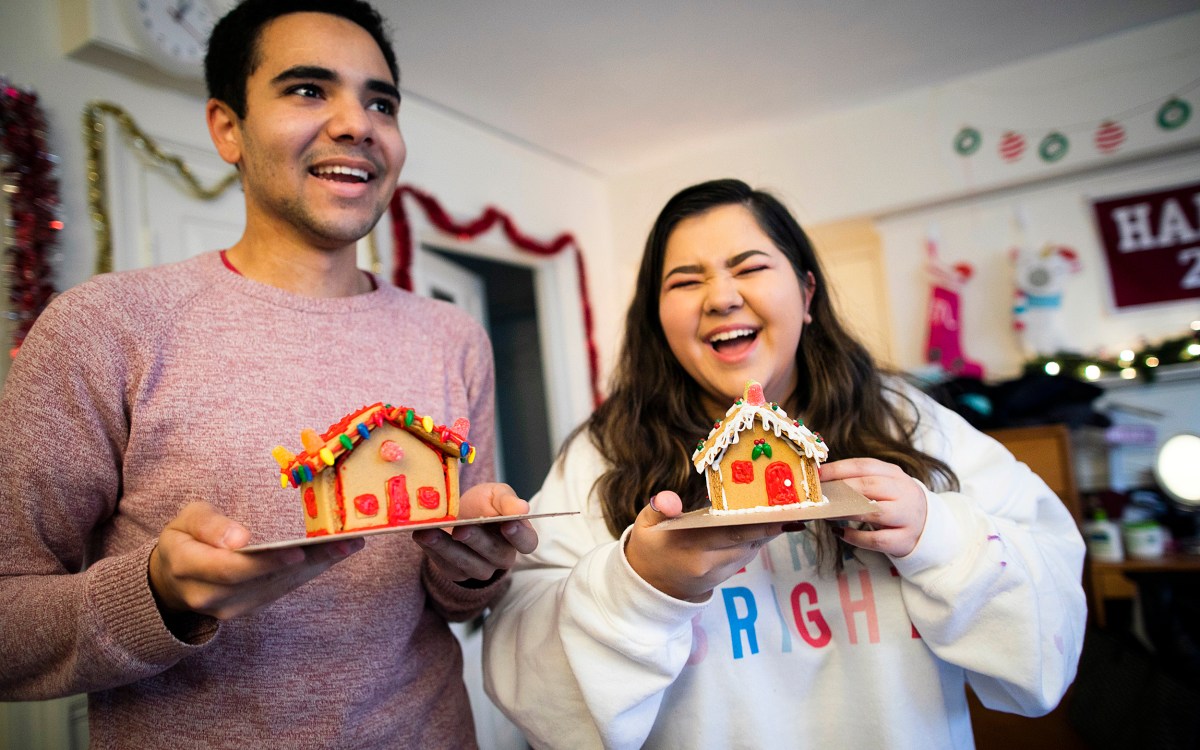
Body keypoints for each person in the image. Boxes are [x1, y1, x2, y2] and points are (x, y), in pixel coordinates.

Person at [0, 1, 536, 747]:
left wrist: (474, 569)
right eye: (308, 90)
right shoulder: (104, 327)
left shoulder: (454, 337)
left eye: (381, 101)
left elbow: (451, 600)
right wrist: (158, 596)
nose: (358, 123)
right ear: (227, 128)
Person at [483, 178, 1086, 748]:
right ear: (657, 321)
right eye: (685, 282)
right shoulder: (604, 451)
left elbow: (1045, 641)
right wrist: (642, 585)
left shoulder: (909, 422)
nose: (720, 297)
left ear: (806, 294)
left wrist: (937, 532)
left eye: (750, 268)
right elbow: (533, 684)